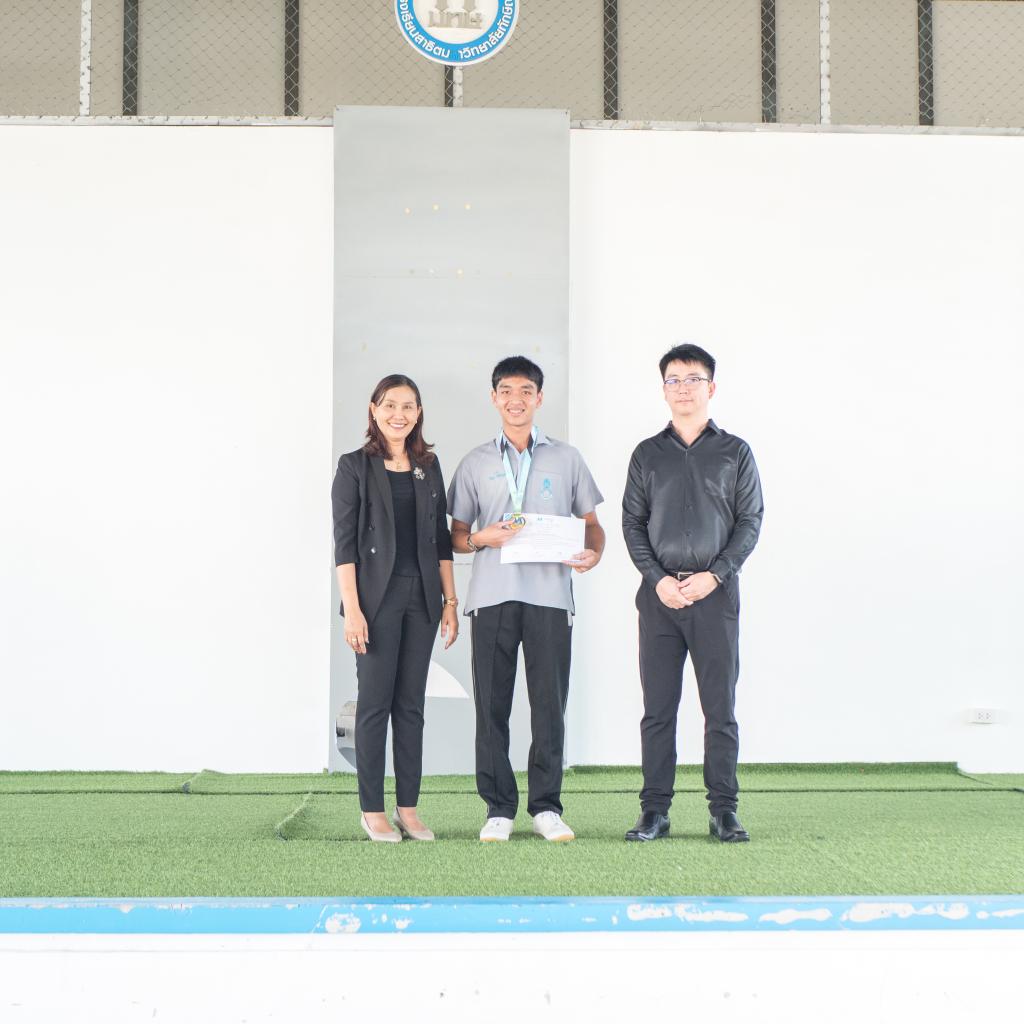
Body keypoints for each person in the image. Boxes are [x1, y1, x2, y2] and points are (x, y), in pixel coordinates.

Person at [448, 356, 605, 843]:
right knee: (491, 707)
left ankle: (546, 808)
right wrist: (482, 538)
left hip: (550, 599)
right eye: (506, 391)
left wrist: (594, 553)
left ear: (539, 398)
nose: (516, 400)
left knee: (549, 707)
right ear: (494, 398)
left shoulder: (567, 458)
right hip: (491, 598)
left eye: (525, 391)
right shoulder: (475, 462)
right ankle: (498, 809)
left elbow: (592, 525)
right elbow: (455, 536)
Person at [622, 343, 763, 843]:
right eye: (674, 380)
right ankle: (654, 811)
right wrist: (658, 579)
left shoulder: (735, 452)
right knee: (658, 710)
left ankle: (724, 810)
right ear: (663, 389)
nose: (683, 388)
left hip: (715, 596)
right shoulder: (647, 454)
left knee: (719, 709)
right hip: (659, 599)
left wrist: (715, 575)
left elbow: (750, 521)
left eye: (693, 379)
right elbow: (632, 523)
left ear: (712, 387)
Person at [331, 374, 459, 843]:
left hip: (422, 599)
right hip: (375, 601)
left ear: (418, 412)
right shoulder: (354, 467)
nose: (398, 414)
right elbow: (345, 545)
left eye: (408, 406)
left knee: (411, 707)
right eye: (389, 405)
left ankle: (408, 808)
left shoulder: (429, 465)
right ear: (373, 409)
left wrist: (450, 601)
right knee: (374, 705)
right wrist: (353, 610)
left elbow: (441, 540)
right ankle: (372, 811)